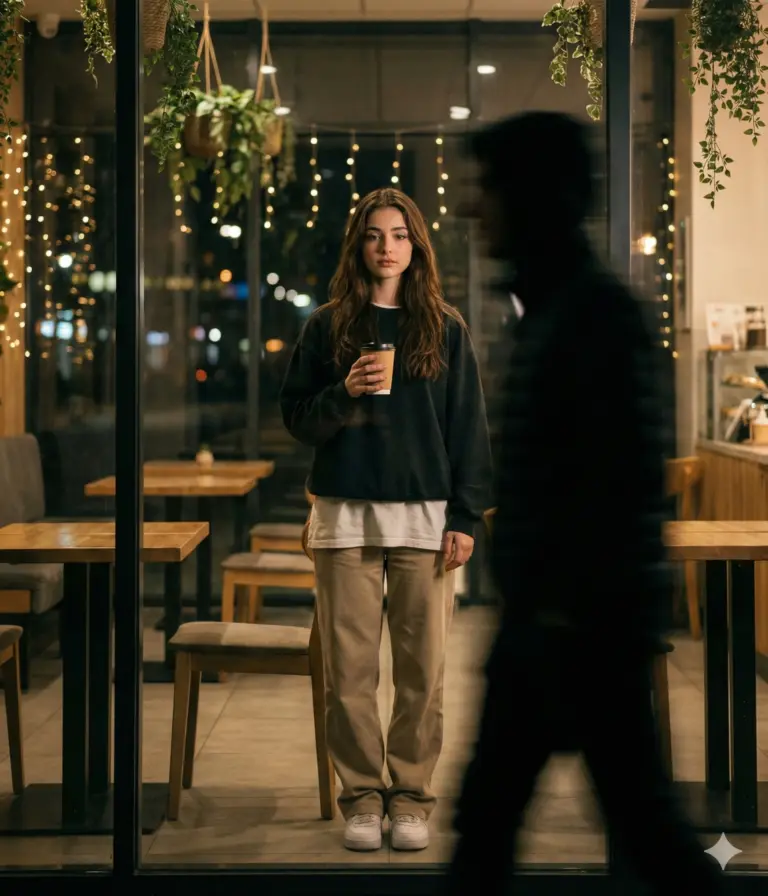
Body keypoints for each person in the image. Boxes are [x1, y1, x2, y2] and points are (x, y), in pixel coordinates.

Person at [446, 113, 724, 895]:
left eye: (487, 190)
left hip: (573, 631)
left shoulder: (592, 314)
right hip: (557, 625)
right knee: (520, 823)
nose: (473, 210)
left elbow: (617, 484)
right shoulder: (557, 308)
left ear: (531, 195)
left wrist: (565, 613)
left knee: (633, 828)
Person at [280, 187, 493, 853]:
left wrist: (466, 517)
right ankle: (363, 798)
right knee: (348, 677)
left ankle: (411, 799)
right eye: (374, 235)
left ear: (416, 245)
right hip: (344, 520)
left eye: (399, 234)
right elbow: (297, 418)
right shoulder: (327, 326)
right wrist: (342, 392)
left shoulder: (444, 327)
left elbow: (469, 432)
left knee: (421, 677)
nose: (386, 247)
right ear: (358, 245)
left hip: (425, 523)